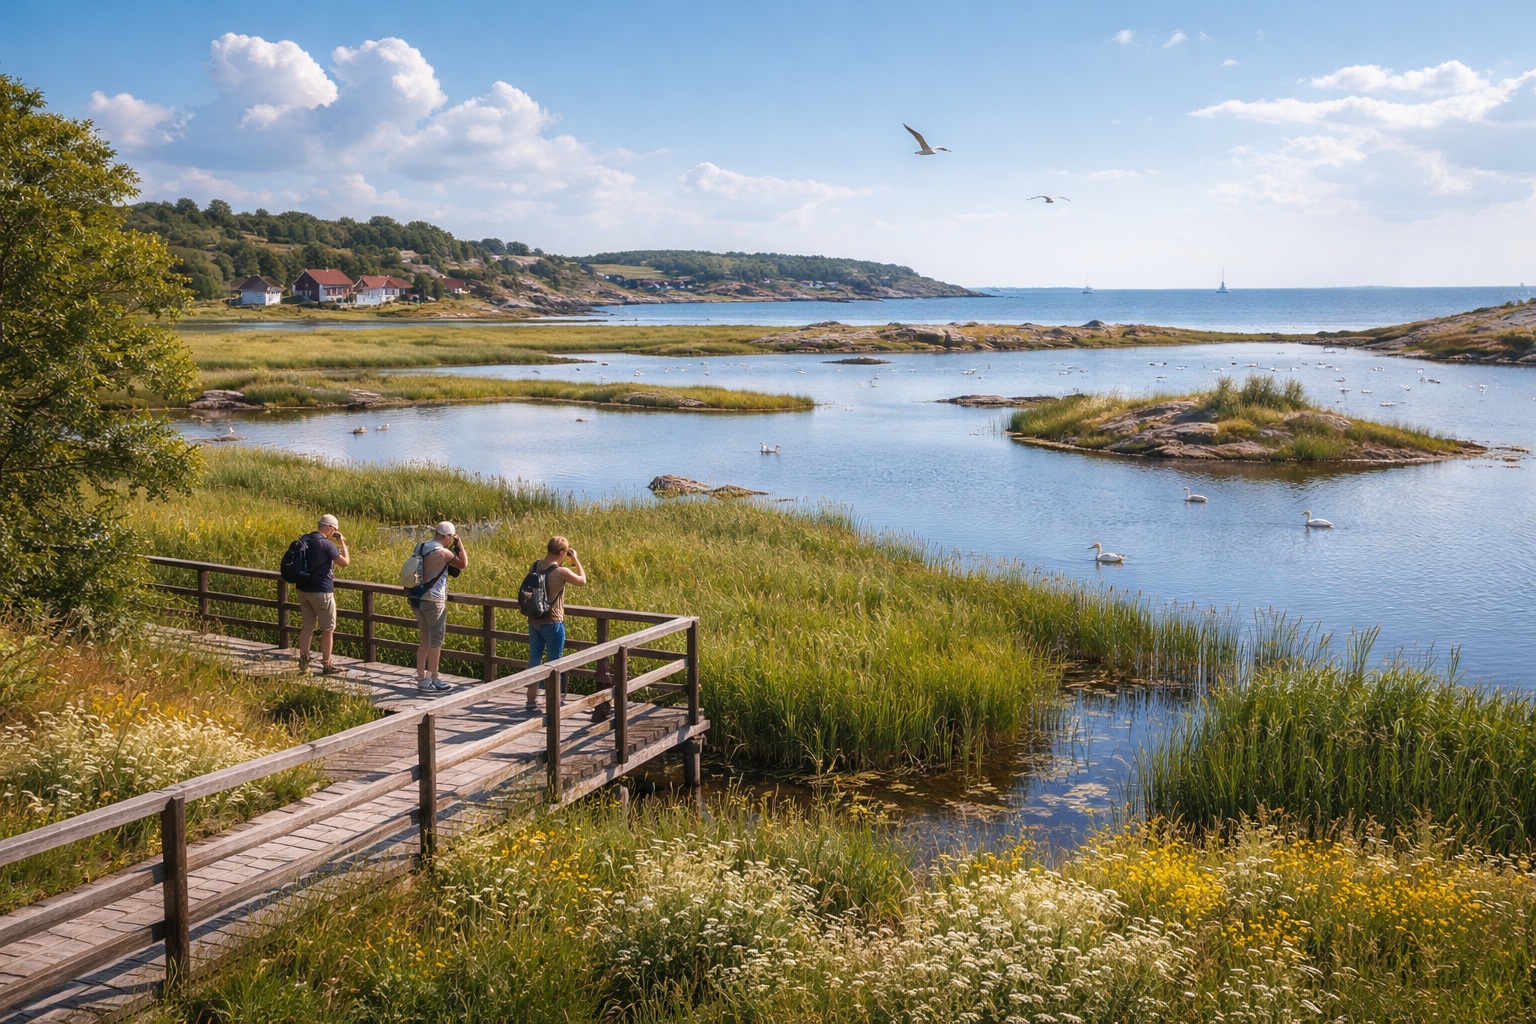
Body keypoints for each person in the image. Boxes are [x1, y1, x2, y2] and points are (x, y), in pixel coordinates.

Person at [524, 536, 587, 708]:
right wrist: (576, 560)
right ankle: (555, 701)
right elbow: (582, 580)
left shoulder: (535, 565)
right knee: (555, 662)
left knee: (534, 659)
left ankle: (530, 700)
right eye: (566, 552)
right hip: (553, 621)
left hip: (535, 620)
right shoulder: (561, 572)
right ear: (562, 552)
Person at [412, 521, 469, 693]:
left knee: (424, 641)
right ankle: (434, 677)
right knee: (436, 641)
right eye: (451, 536)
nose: (451, 539)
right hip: (434, 601)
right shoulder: (443, 552)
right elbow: (463, 564)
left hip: (416, 598)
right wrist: (461, 546)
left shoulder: (420, 547)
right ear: (445, 536)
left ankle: (422, 679)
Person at [296, 514, 349, 675]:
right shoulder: (327, 544)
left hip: (303, 589)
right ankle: (327, 664)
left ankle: (303, 661)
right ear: (331, 528)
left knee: (307, 627)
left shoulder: (305, 539)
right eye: (335, 530)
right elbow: (345, 563)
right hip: (322, 592)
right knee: (327, 629)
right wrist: (342, 542)